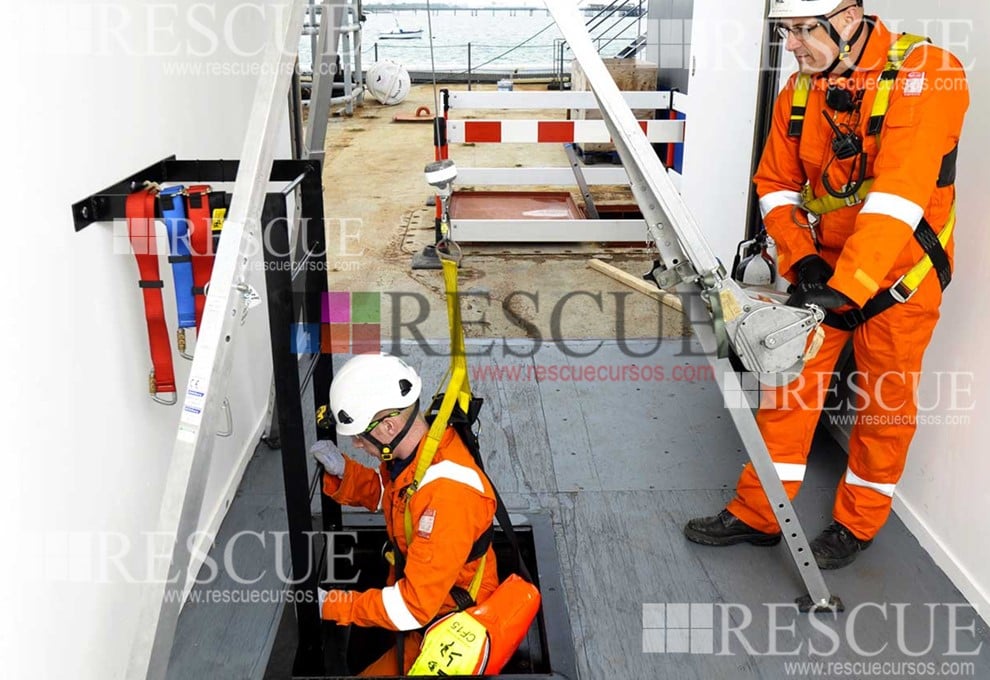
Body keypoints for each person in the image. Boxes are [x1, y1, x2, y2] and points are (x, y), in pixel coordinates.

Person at [685, 0, 968, 569]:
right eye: (785, 31)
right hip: (829, 271)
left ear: (846, 18)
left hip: (899, 279)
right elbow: (776, 184)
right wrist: (804, 262)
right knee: (788, 384)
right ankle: (759, 512)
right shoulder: (800, 91)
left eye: (799, 30)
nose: (789, 44)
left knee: (885, 406)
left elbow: (898, 198)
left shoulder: (927, 74)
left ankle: (856, 524)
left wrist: (850, 288)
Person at [311, 353, 499, 675]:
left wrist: (334, 605)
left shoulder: (448, 497)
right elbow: (399, 500)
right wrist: (346, 474)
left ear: (388, 426)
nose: (356, 444)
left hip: (450, 619)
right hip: (427, 595)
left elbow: (412, 608)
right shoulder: (418, 454)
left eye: (359, 435)